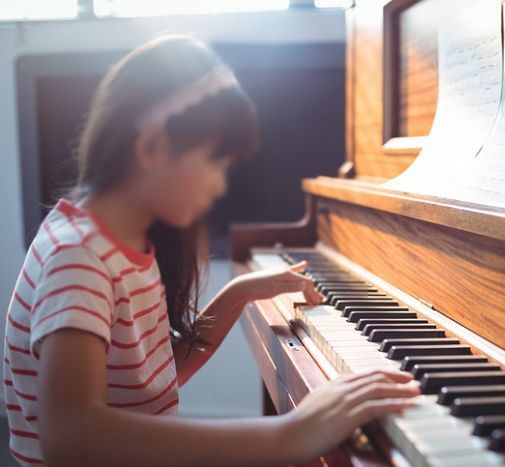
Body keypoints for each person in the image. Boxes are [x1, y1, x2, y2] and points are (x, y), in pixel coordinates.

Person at [4, 35, 419, 466]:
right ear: (152, 147)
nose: (221, 185)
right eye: (215, 162)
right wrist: (287, 435)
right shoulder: (79, 258)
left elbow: (158, 379)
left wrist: (238, 292)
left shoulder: (124, 244)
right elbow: (70, 436)